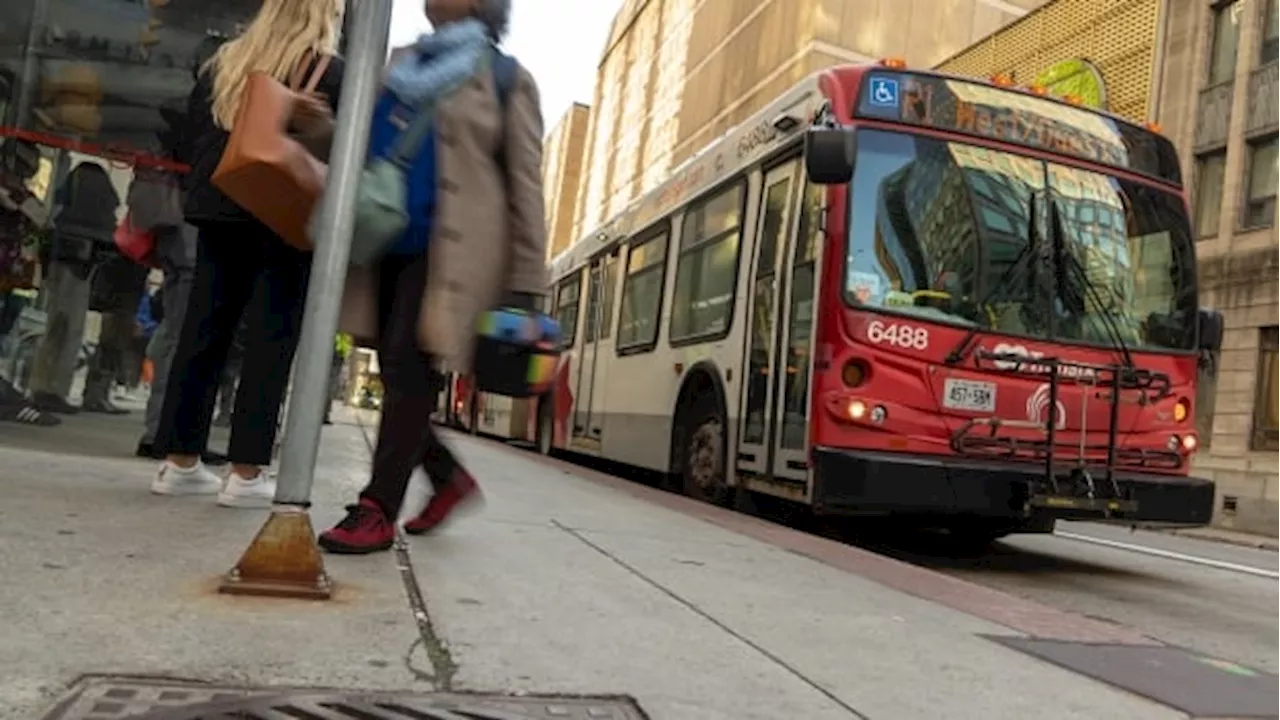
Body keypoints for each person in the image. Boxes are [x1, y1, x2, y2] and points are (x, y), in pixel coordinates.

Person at [319, 0, 548, 554]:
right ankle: (448, 479)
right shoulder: (398, 60)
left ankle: (376, 508)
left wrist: (527, 282)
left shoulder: (506, 78)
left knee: (408, 361)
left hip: (451, 253)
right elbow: (364, 140)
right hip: (383, 239)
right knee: (398, 369)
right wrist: (318, 129)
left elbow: (526, 184)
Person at [151, 0, 345, 507]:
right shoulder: (327, 71)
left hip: (222, 201)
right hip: (283, 209)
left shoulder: (225, 60)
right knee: (270, 338)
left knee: (203, 330)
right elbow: (344, 156)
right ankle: (246, 473)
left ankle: (178, 463)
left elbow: (188, 137)